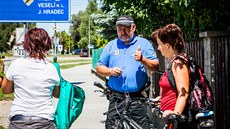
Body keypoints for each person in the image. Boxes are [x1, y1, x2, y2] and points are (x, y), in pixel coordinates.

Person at [96, 15, 159, 129]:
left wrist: (142, 59)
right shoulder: (111, 45)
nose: (122, 32)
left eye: (126, 28)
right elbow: (99, 67)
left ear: (133, 28)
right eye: (120, 29)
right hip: (116, 99)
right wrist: (110, 71)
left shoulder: (143, 44)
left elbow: (155, 66)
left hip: (137, 99)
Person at [1, 28, 60, 129]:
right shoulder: (51, 68)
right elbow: (57, 94)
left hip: (19, 120)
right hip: (44, 120)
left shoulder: (16, 64)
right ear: (47, 44)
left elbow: (5, 90)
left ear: (27, 44)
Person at [152, 24, 195, 129]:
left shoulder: (178, 63)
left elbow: (183, 93)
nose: (158, 48)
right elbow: (173, 88)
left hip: (176, 122)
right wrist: (162, 98)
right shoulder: (172, 63)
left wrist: (175, 114)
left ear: (167, 45)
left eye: (159, 44)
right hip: (168, 118)